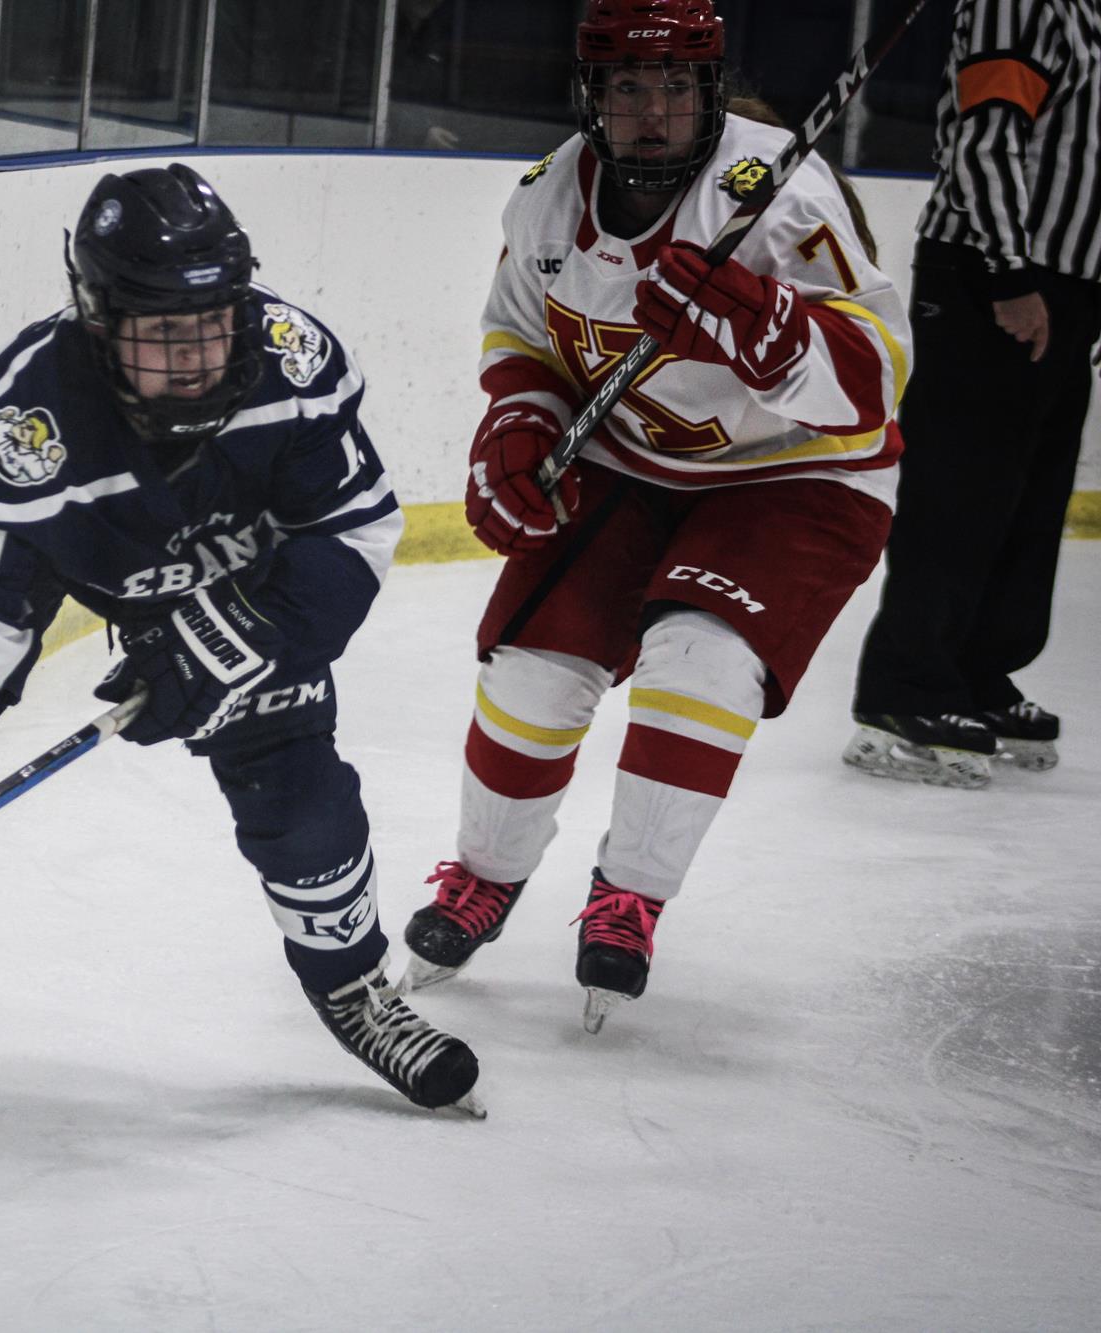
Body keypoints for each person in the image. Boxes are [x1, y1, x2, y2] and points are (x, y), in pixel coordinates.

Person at [0, 164, 482, 1115]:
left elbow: (351, 530)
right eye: (162, 331)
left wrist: (232, 640)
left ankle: (357, 988)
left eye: (210, 321)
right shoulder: (20, 430)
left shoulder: (291, 363)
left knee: (292, 761)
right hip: (63, 544)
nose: (196, 353)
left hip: (219, 560)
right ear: (98, 320)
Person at [400, 0, 910, 1032]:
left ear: (707, 92)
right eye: (627, 88)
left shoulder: (775, 196)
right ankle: (485, 875)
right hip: (630, 459)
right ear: (591, 96)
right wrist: (517, 425)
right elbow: (520, 339)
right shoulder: (547, 201)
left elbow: (880, 376)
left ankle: (627, 895)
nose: (651, 111)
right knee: (530, 666)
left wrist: (770, 329)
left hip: (797, 471)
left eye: (674, 87)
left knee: (701, 659)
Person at [847, 0, 1100, 787]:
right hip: (994, 276)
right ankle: (908, 683)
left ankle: (981, 673)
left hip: (1069, 282)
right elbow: (988, 134)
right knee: (963, 492)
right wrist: (1007, 273)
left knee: (1028, 501)